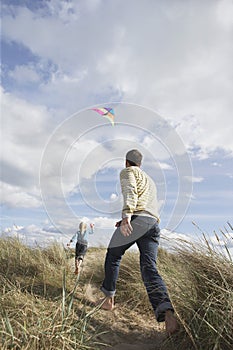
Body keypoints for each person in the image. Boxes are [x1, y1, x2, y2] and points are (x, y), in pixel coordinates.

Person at [98, 149, 178, 335]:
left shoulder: (128, 172)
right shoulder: (150, 181)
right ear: (140, 164)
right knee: (149, 268)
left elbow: (131, 192)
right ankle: (167, 312)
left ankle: (108, 300)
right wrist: (130, 218)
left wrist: (127, 217)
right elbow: (147, 205)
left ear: (127, 162)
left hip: (137, 220)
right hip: (152, 223)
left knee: (113, 254)